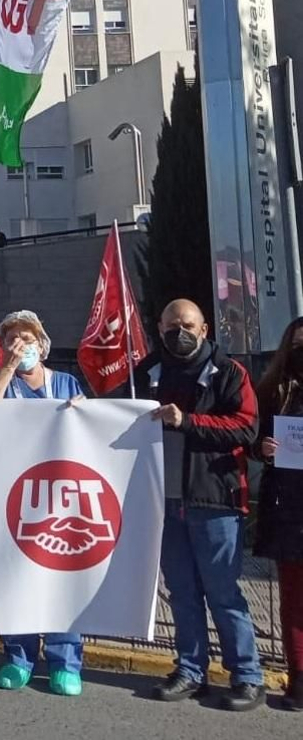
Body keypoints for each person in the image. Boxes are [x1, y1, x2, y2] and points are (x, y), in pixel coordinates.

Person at [129, 300, 265, 711]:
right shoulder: (147, 372)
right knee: (183, 593)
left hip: (215, 500)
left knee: (223, 593)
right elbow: (115, 412)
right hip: (164, 502)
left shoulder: (228, 372)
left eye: (187, 325)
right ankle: (191, 670)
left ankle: (247, 677)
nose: (179, 332)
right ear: (159, 326)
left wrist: (186, 421)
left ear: (204, 329)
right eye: (171, 325)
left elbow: (246, 427)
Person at [0, 310, 86, 696]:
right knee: (13, 576)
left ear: (42, 344)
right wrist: (4, 370)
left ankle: (65, 660)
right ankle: (18, 657)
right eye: (12, 340)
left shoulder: (66, 381)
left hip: (58, 497)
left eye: (29, 338)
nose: (22, 345)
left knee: (60, 577)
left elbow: (91, 428)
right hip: (11, 494)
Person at [256, 315, 303, 712]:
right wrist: (264, 449)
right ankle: (299, 678)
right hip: (288, 507)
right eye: (299, 343)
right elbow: (252, 439)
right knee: (293, 599)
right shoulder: (273, 390)